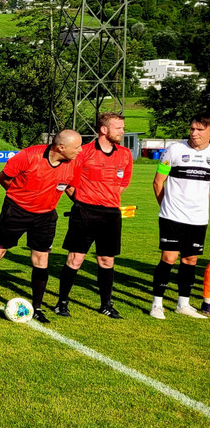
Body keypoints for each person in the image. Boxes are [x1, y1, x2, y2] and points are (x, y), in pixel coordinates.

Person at [0, 130, 83, 323]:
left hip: (46, 216)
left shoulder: (74, 163)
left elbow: (71, 188)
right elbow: (3, 177)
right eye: (77, 146)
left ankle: (37, 307)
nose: (80, 150)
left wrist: (85, 206)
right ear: (61, 147)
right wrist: (19, 197)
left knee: (41, 259)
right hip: (16, 211)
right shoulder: (29, 155)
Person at [54, 112, 132, 319]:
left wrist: (107, 199)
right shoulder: (83, 152)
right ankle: (61, 302)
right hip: (84, 212)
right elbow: (67, 180)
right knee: (75, 259)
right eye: (118, 128)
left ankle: (106, 304)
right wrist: (81, 201)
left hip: (111, 214)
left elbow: (123, 184)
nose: (122, 131)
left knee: (107, 260)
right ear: (104, 129)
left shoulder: (125, 154)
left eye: (122, 128)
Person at [149, 113, 210, 320]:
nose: (194, 133)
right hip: (172, 216)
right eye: (192, 128)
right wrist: (166, 207)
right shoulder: (174, 150)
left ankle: (183, 303)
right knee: (169, 258)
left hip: (198, 218)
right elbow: (158, 182)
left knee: (191, 259)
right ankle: (157, 304)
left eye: (200, 130)